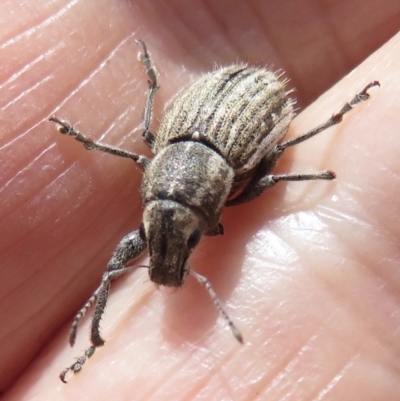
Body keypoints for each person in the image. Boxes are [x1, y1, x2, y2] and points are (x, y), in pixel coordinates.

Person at [1, 0, 399, 399]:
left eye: (188, 241)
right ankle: (94, 341)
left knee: (273, 160)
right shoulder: (159, 181)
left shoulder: (236, 168)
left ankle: (337, 116)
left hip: (255, 102)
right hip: (204, 125)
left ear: (211, 207)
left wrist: (334, 121)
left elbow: (274, 166)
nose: (168, 257)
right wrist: (88, 141)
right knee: (115, 261)